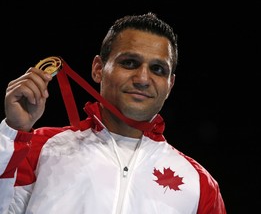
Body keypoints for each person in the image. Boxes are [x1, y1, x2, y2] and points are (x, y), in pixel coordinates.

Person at [0, 12, 226, 214]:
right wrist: (13, 134)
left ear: (170, 85)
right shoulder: (38, 148)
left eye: (157, 69)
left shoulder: (199, 185)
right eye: (129, 63)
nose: (143, 79)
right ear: (98, 69)